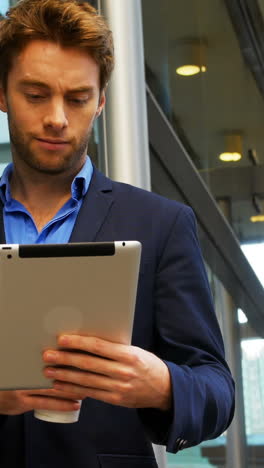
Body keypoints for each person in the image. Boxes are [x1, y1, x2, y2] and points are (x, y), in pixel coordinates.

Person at [0, 0, 234, 466]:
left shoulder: (161, 224)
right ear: (2, 94)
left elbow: (216, 389)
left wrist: (164, 385)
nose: (57, 118)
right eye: (36, 94)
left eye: (78, 97)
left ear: (102, 102)